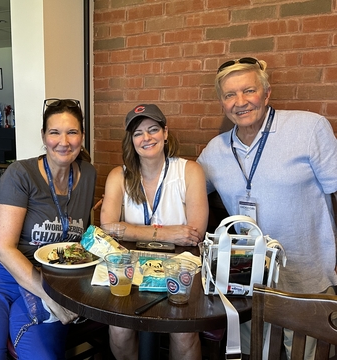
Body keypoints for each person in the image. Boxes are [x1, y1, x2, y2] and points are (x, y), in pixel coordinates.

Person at [197, 57, 337, 359]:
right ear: (222, 103)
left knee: (306, 355)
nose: (241, 102)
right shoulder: (215, 150)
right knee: (255, 354)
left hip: (306, 279)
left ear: (267, 93)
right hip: (249, 281)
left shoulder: (309, 128)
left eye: (249, 90)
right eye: (230, 95)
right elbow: (184, 189)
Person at [0, 98, 96, 360]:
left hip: (49, 277)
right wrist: (52, 298)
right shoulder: (21, 173)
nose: (63, 141)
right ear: (44, 136)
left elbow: (81, 241)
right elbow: (2, 246)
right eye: (54, 132)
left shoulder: (88, 174)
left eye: (72, 132)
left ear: (82, 137)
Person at [100, 104, 208, 360]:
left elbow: (196, 233)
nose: (146, 138)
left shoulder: (189, 171)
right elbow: (107, 227)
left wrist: (130, 230)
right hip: (132, 267)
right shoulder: (119, 176)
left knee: (184, 332)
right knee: (119, 328)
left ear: (165, 133)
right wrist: (168, 234)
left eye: (153, 130)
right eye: (138, 133)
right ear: (131, 140)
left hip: (181, 268)